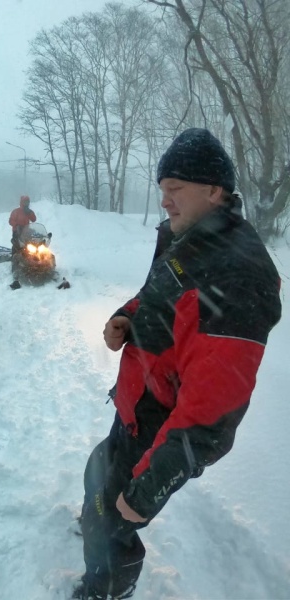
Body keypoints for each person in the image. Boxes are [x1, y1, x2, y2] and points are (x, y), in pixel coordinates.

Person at [74, 128, 282, 600]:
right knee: (97, 474)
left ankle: (105, 584)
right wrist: (127, 315)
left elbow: (212, 414)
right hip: (136, 399)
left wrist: (146, 492)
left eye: (175, 191)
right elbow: (159, 296)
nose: (165, 202)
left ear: (214, 191)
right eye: (162, 190)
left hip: (161, 424)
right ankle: (96, 527)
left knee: (114, 518)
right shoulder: (184, 235)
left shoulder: (240, 275)